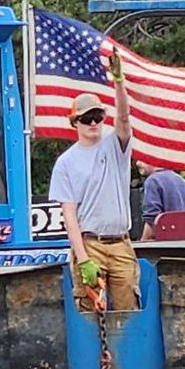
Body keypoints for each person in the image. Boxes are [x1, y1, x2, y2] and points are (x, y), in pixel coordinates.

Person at [49, 68, 138, 312]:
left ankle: (126, 351)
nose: (93, 123)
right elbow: (70, 215)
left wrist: (119, 82)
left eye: (97, 117)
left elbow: (124, 119)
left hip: (121, 241)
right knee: (89, 313)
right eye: (86, 119)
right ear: (75, 123)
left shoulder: (115, 144)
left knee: (128, 312)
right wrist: (83, 258)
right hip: (90, 243)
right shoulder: (66, 163)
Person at [135, 158, 185, 240]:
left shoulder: (153, 181)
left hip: (166, 245)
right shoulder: (182, 181)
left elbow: (152, 220)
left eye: (142, 159)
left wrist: (142, 243)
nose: (137, 163)